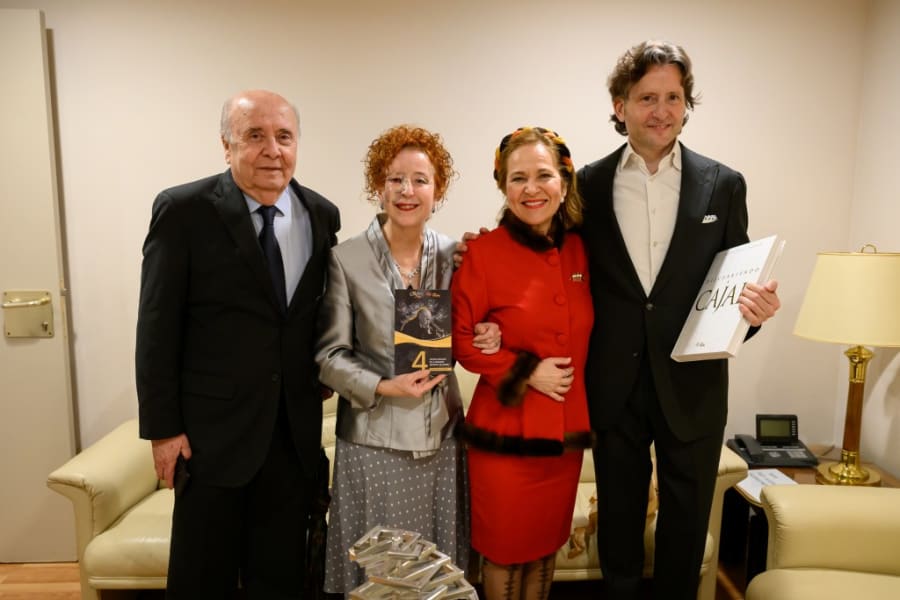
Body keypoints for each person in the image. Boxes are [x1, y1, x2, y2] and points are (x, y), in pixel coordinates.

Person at [577, 41, 781, 599]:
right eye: (647, 97)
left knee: (687, 523)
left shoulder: (724, 183)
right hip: (614, 381)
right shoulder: (586, 185)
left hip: (693, 383)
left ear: (686, 104)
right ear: (620, 105)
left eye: (673, 97)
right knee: (617, 518)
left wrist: (756, 314)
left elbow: (735, 285)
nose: (661, 110)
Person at [135, 89, 340, 599]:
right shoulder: (183, 211)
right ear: (226, 146)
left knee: (281, 578)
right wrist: (163, 430)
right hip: (211, 440)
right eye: (255, 136)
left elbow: (321, 315)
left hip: (292, 437)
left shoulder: (322, 215)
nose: (273, 149)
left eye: (284, 136)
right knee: (202, 578)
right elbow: (157, 325)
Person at [315, 125, 495, 595]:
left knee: (435, 578)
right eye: (396, 179)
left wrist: (487, 330)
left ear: (438, 190)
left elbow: (470, 331)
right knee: (383, 575)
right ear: (379, 186)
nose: (407, 191)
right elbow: (329, 356)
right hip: (374, 442)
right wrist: (382, 385)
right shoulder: (346, 259)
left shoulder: (458, 255)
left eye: (420, 180)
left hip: (441, 440)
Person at [451, 127, 594, 600]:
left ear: (565, 182)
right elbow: (461, 341)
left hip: (564, 438)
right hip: (504, 438)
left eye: (543, 175)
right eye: (517, 178)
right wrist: (526, 370)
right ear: (502, 186)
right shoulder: (482, 252)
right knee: (505, 553)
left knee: (545, 549)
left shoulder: (584, 249)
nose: (531, 189)